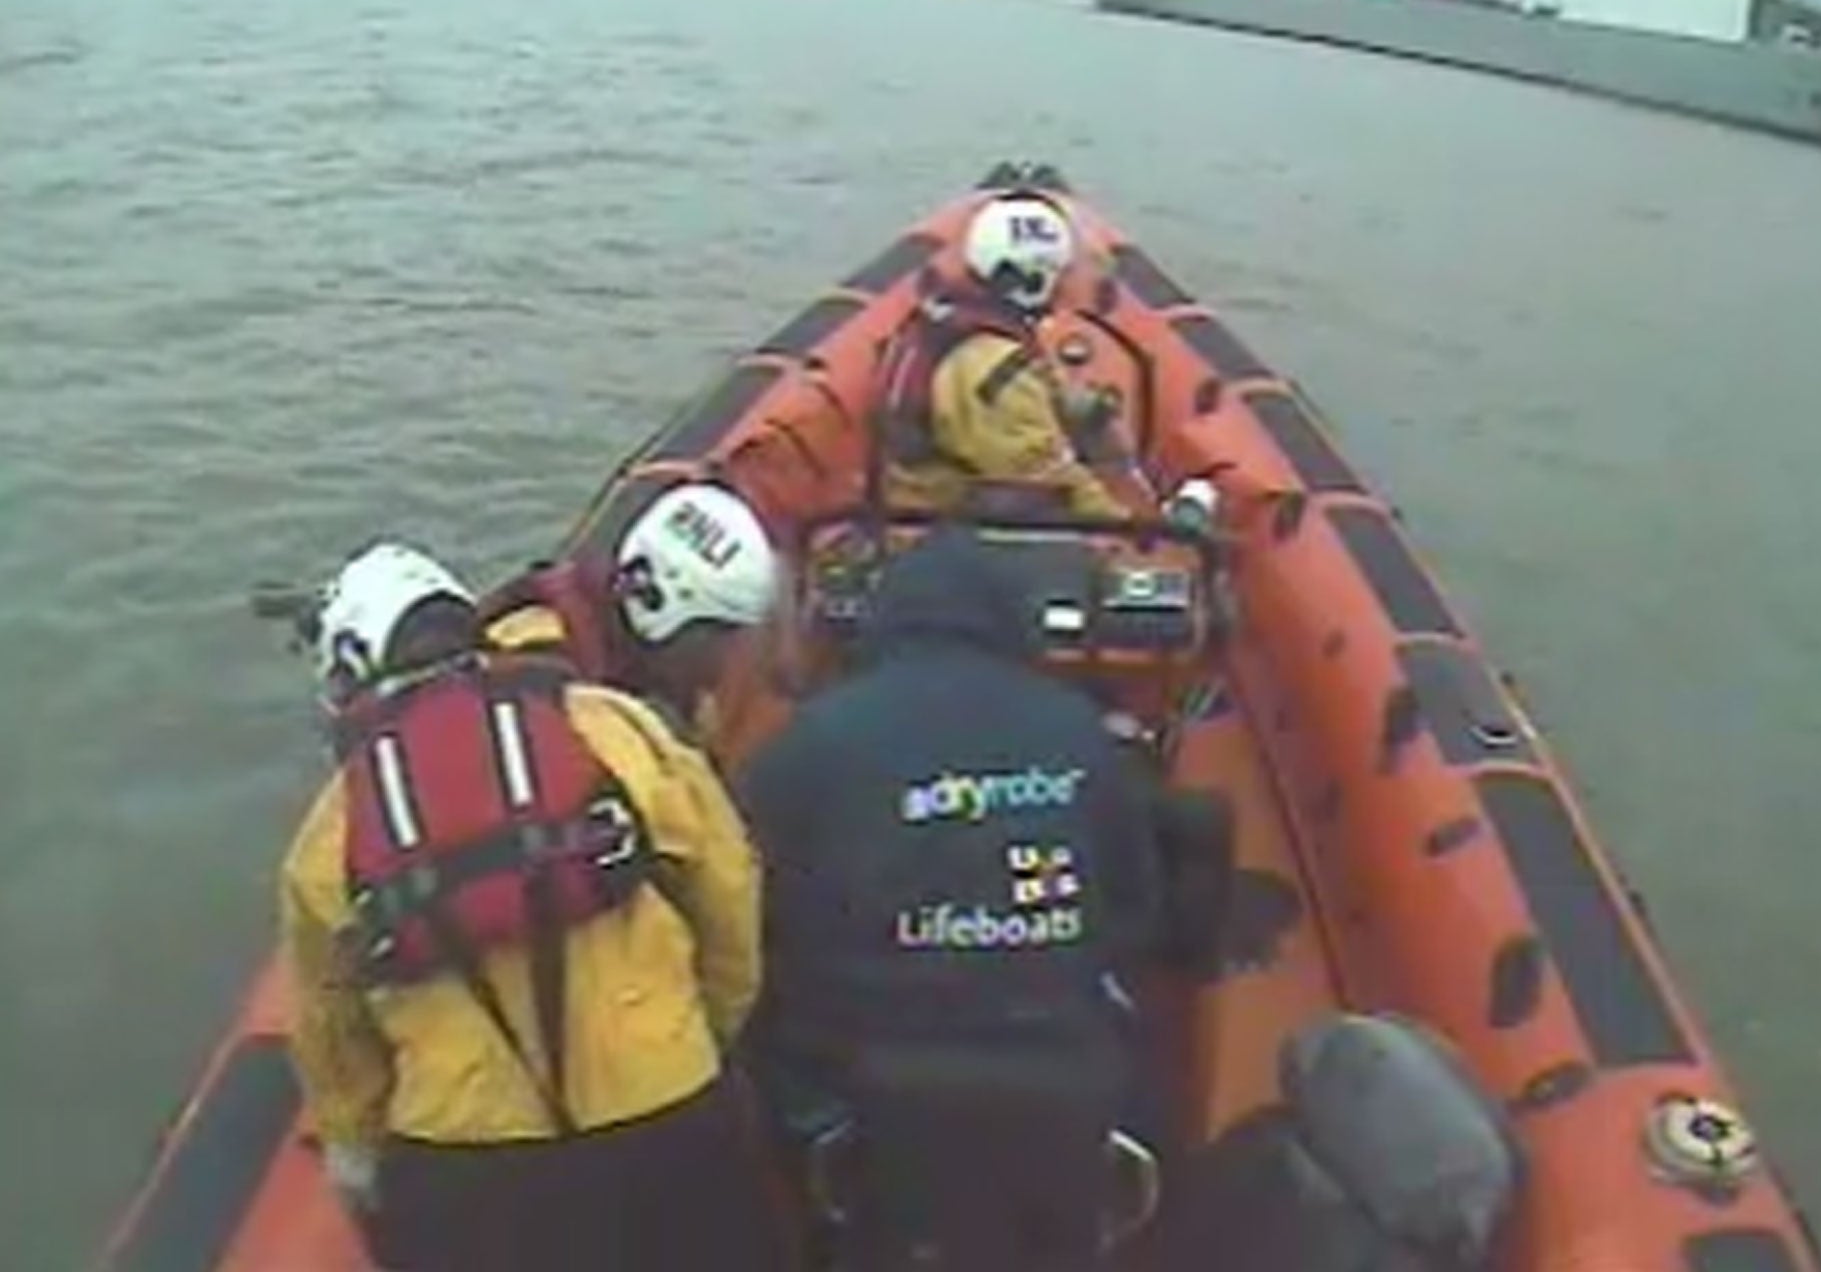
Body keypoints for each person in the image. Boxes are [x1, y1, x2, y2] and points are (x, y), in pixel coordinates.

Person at [277, 541, 790, 1272]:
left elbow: (332, 1026)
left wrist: (355, 1151)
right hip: (663, 1103)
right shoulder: (612, 728)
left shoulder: (332, 831)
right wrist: (704, 1025)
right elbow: (726, 888)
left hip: (465, 1156)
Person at [738, 525, 1166, 1270]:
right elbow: (1134, 913)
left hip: (852, 1104)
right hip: (1063, 1089)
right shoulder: (1081, 737)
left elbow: (747, 918)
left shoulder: (807, 745)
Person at [878, 192, 1146, 522]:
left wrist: (1086, 409)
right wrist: (1128, 525)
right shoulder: (995, 368)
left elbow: (1033, 391)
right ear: (1034, 279)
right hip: (951, 521)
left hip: (934, 499)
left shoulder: (955, 323)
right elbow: (1045, 477)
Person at [478, 481, 783, 762]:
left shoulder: (575, 634)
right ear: (668, 614)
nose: (718, 669)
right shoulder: (549, 688)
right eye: (721, 641)